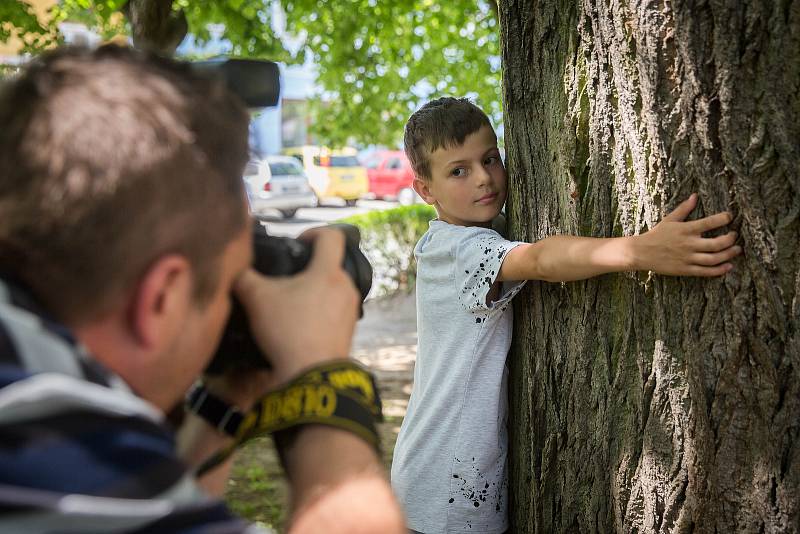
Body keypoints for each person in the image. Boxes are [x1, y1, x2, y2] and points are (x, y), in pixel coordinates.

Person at [0, 45, 405, 533]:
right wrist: (320, 376)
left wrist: (227, 396)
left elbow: (157, 504)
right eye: (229, 282)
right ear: (161, 300)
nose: (235, 300)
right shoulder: (54, 445)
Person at [389, 97, 742, 534]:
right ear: (425, 190)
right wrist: (640, 250)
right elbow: (540, 259)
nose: (485, 178)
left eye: (491, 159)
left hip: (437, 473)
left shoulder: (457, 237)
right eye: (458, 171)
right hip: (445, 488)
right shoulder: (461, 250)